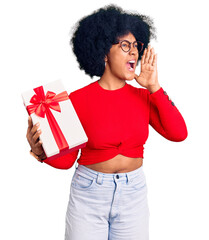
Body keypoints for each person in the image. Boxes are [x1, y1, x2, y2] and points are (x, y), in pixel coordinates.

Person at [26, 4, 188, 240]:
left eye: (136, 46)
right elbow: (67, 160)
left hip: (133, 194)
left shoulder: (145, 96)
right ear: (103, 52)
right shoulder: (76, 100)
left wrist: (154, 86)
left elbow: (179, 133)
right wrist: (40, 150)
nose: (133, 52)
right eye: (124, 45)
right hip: (89, 196)